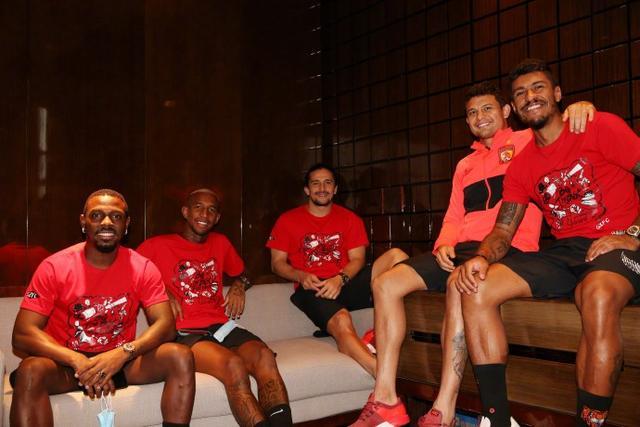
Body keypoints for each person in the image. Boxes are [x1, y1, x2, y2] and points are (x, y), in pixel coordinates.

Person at [350, 82, 596, 427]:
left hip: (506, 248)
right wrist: (443, 244)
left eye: (487, 108)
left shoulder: (528, 141)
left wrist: (578, 108)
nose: (480, 117)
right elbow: (454, 216)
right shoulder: (465, 163)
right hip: (462, 247)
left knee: (460, 283)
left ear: (507, 111)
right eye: (472, 113)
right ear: (467, 122)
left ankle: (444, 407)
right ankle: (386, 398)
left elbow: (556, 127)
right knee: (386, 284)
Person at [454, 58, 640, 427]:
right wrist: (481, 257)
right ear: (514, 107)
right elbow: (503, 231)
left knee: (597, 294)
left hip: (620, 244)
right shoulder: (522, 165)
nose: (530, 96)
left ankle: (590, 422)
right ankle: (497, 419)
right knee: (476, 287)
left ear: (557, 94)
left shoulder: (599, 126)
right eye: (520, 93)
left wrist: (632, 234)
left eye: (538, 87)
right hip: (566, 251)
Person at [10, 189, 195, 427]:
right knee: (30, 370)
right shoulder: (54, 266)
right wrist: (76, 360)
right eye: (97, 215)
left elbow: (166, 325)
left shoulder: (143, 267)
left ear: (126, 224)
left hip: (121, 361)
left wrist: (123, 353)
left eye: (116, 216)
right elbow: (22, 333)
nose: (106, 222)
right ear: (83, 222)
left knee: (180, 356)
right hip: (67, 365)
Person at [138, 188, 292, 427]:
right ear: (185, 212)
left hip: (221, 326)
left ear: (217, 218)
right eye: (198, 207)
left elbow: (244, 273)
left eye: (211, 210)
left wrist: (239, 285)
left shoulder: (220, 243)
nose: (205, 214)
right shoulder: (157, 245)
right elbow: (130, 276)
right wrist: (162, 290)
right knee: (233, 365)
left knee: (264, 357)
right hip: (184, 332)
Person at [267, 163, 376, 376]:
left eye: (328, 183)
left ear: (335, 189)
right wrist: (300, 275)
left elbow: (358, 259)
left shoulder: (350, 219)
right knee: (342, 319)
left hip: (345, 280)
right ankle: (380, 375)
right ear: (307, 190)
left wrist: (340, 279)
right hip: (313, 288)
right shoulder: (287, 220)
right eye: (315, 183)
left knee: (396, 257)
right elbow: (276, 263)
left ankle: (380, 335)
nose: (322, 188)